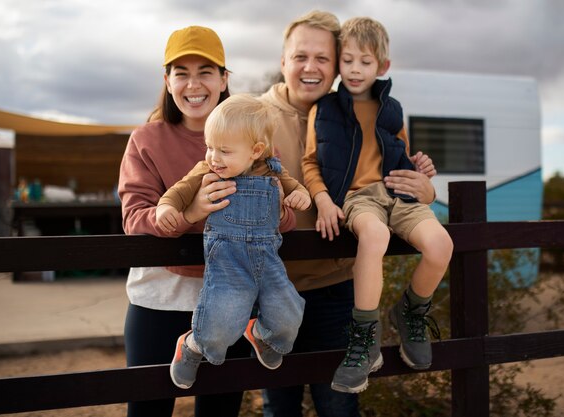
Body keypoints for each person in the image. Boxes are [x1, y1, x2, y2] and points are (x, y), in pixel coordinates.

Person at [259, 10, 437, 416]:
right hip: (270, 288)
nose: (310, 67)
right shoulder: (254, 116)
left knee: (340, 407)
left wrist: (425, 189)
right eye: (301, 56)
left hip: (337, 285)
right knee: (278, 406)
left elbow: (393, 178)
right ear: (283, 59)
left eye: (323, 58)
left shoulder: (360, 113)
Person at [118, 26, 297, 417]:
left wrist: (276, 208)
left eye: (205, 71)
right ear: (167, 81)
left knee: (219, 410)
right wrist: (190, 212)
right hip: (160, 297)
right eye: (181, 72)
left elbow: (285, 219)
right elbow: (134, 218)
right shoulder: (145, 140)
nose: (193, 83)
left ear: (223, 79)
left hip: (233, 295)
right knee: (147, 409)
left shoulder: (256, 141)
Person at [301, 16, 454, 394]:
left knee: (442, 245)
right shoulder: (324, 109)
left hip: (396, 193)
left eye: (365, 62)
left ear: (382, 66)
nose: (355, 69)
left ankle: (410, 311)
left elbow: (400, 154)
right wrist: (322, 198)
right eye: (348, 60)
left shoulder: (392, 109)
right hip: (356, 198)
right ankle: (364, 339)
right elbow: (309, 163)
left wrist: (421, 172)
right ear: (339, 63)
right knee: (374, 235)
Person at [156, 94, 310, 389]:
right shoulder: (206, 171)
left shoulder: (273, 169)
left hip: (268, 260)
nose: (214, 157)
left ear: (256, 150)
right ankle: (193, 345)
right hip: (227, 261)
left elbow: (296, 189)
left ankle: (262, 334)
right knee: (221, 324)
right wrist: (167, 208)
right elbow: (177, 191)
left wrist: (299, 196)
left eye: (224, 150)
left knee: (288, 314)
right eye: (210, 147)